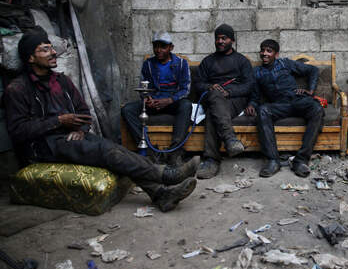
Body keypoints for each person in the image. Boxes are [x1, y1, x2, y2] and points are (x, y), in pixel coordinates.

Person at [4, 31, 199, 212]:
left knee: (116, 150)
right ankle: (166, 174)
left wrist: (81, 128)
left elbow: (83, 112)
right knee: (106, 152)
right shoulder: (18, 89)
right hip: (43, 146)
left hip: (72, 136)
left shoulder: (62, 81)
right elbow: (18, 131)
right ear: (30, 57)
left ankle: (160, 194)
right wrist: (58, 121)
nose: (53, 52)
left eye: (52, 47)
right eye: (45, 49)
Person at [245, 39, 324, 178]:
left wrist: (310, 90)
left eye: (269, 51)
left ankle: (301, 160)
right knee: (263, 110)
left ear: (276, 54)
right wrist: (252, 104)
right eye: (262, 50)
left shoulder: (285, 63)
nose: (264, 53)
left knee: (317, 109)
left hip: (297, 100)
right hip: (279, 105)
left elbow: (313, 70)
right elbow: (255, 95)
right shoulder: (256, 72)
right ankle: (273, 161)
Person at [121, 31, 192, 165]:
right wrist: (147, 98)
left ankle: (174, 152)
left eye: (163, 47)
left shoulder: (182, 64)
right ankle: (149, 152)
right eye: (156, 46)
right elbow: (143, 87)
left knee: (186, 105)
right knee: (127, 110)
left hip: (172, 102)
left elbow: (185, 89)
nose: (158, 50)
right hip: (154, 102)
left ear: (171, 47)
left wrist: (169, 100)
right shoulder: (148, 64)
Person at [194, 24, 253, 179]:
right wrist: (209, 86)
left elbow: (249, 85)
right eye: (217, 38)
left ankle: (211, 159)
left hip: (234, 100)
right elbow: (198, 84)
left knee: (212, 112)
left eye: (224, 38)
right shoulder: (207, 62)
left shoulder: (241, 61)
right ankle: (230, 139)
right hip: (212, 97)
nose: (220, 41)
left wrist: (229, 91)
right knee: (214, 96)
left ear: (231, 40)